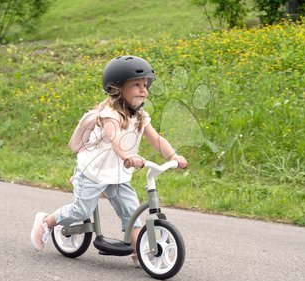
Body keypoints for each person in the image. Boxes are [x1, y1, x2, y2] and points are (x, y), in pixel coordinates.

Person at [30, 55, 188, 266]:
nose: (143, 90)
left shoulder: (140, 116)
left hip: (118, 173)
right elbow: (115, 139)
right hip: (93, 172)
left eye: (145, 85)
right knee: (81, 210)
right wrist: (127, 157)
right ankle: (46, 222)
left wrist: (173, 156)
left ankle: (140, 251)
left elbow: (156, 139)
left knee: (131, 212)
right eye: (136, 85)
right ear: (117, 88)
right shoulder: (109, 115)